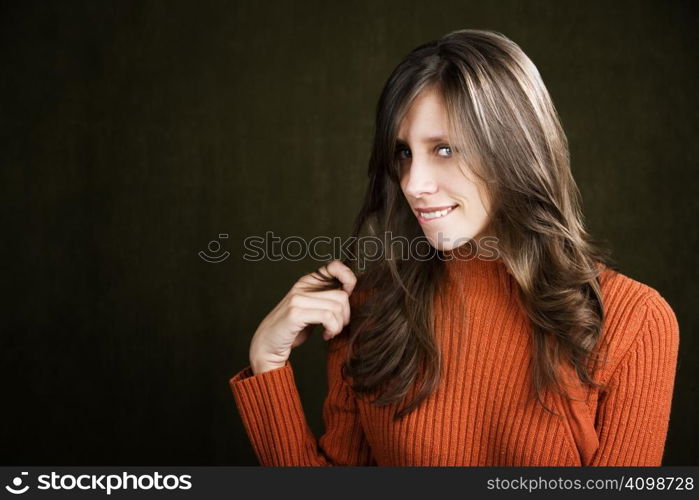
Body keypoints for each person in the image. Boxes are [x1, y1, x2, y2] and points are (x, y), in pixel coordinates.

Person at [228, 29, 680, 466]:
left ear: (515, 150)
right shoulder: (369, 311)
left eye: (444, 149)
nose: (412, 184)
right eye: (404, 153)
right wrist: (267, 365)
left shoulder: (633, 322)